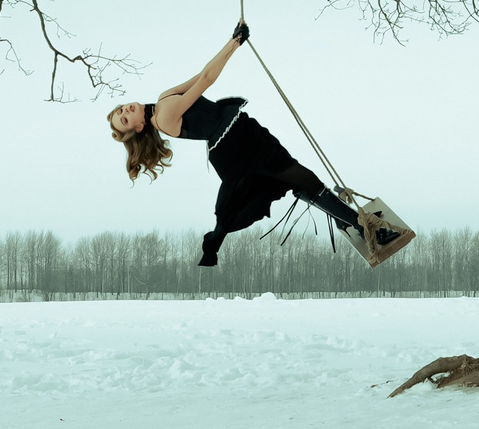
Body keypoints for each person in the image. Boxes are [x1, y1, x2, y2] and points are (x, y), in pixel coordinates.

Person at [108, 22, 404, 266]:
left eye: (121, 109)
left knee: (303, 179)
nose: (125, 111)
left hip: (245, 134)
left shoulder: (161, 99)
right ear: (138, 128)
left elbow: (201, 73)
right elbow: (208, 80)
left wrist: (234, 44)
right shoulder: (164, 115)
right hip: (236, 150)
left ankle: (347, 219)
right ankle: (363, 228)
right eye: (123, 119)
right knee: (302, 178)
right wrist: (233, 42)